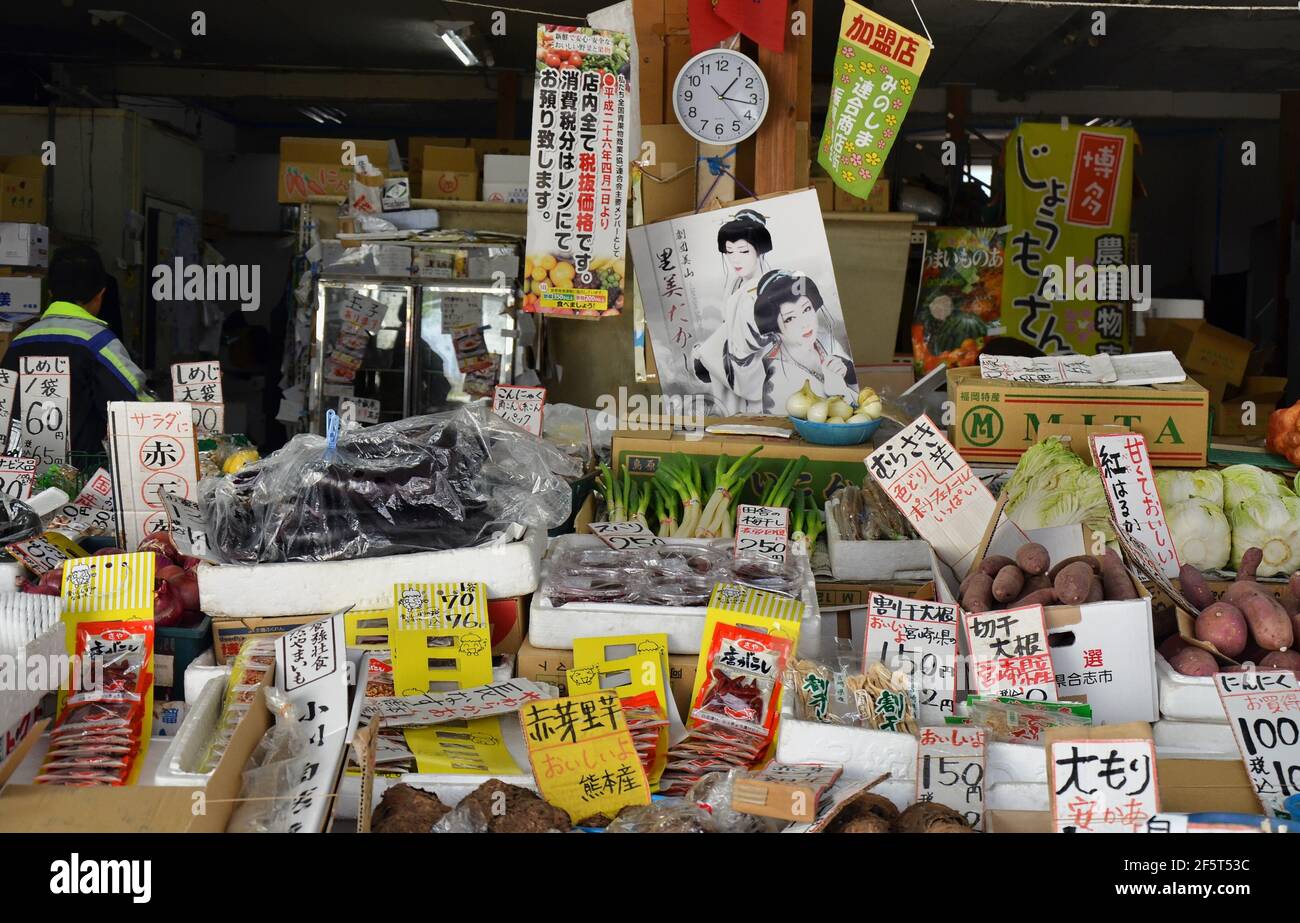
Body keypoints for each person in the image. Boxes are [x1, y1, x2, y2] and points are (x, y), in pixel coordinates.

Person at [2, 244, 153, 455]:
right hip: (80, 479)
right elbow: (136, 407)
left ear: (50, 292)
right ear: (101, 294)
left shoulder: (19, 342)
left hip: (22, 476)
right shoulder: (98, 343)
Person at [690, 209, 773, 414]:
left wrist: (706, 352)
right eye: (729, 251)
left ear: (759, 250)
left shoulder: (766, 287)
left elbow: (755, 338)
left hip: (758, 366)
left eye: (743, 251)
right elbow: (729, 327)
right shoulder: (736, 284)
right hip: (732, 360)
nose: (735, 259)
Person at [751, 270, 857, 414]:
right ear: (775, 329)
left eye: (806, 309)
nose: (804, 323)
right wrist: (837, 391)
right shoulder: (776, 384)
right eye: (789, 318)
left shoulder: (827, 342)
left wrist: (848, 372)